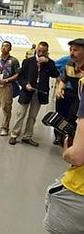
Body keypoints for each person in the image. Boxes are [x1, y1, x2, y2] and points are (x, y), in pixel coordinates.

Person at [44, 38, 84, 233]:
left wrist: (69, 153)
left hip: (78, 191)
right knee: (68, 130)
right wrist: (60, 87)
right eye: (71, 49)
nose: (72, 53)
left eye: (76, 50)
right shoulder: (68, 64)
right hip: (70, 104)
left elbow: (76, 155)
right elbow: (61, 77)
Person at [9, 41, 60, 146]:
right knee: (20, 114)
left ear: (47, 52)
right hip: (26, 92)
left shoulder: (49, 63)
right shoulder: (27, 61)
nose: (41, 53)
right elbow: (20, 77)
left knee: (32, 116)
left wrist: (48, 62)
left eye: (44, 51)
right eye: (39, 50)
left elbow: (55, 74)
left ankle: (27, 136)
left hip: (39, 93)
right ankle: (14, 135)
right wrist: (25, 85)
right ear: (36, 49)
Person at [53, 54, 73, 145]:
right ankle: (58, 135)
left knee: (71, 116)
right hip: (64, 91)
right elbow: (53, 66)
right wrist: (58, 78)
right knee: (60, 114)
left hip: (76, 94)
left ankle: (66, 135)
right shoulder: (66, 59)